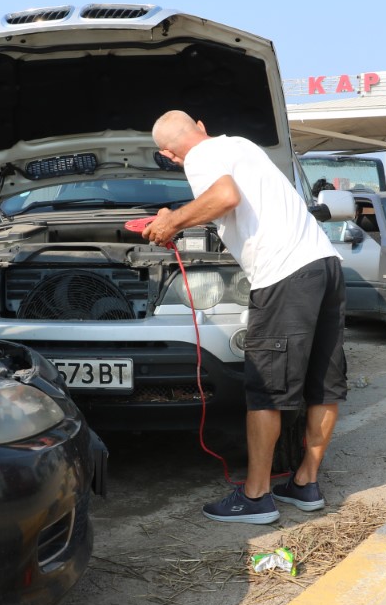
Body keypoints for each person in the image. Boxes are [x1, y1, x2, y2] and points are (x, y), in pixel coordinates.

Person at [144, 110, 347, 524]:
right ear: (200, 124)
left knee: (266, 388)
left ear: (168, 154)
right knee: (322, 382)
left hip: (284, 274)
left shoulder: (200, 156)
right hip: (324, 264)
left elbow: (224, 198)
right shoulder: (240, 145)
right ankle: (305, 483)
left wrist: (171, 222)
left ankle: (256, 497)